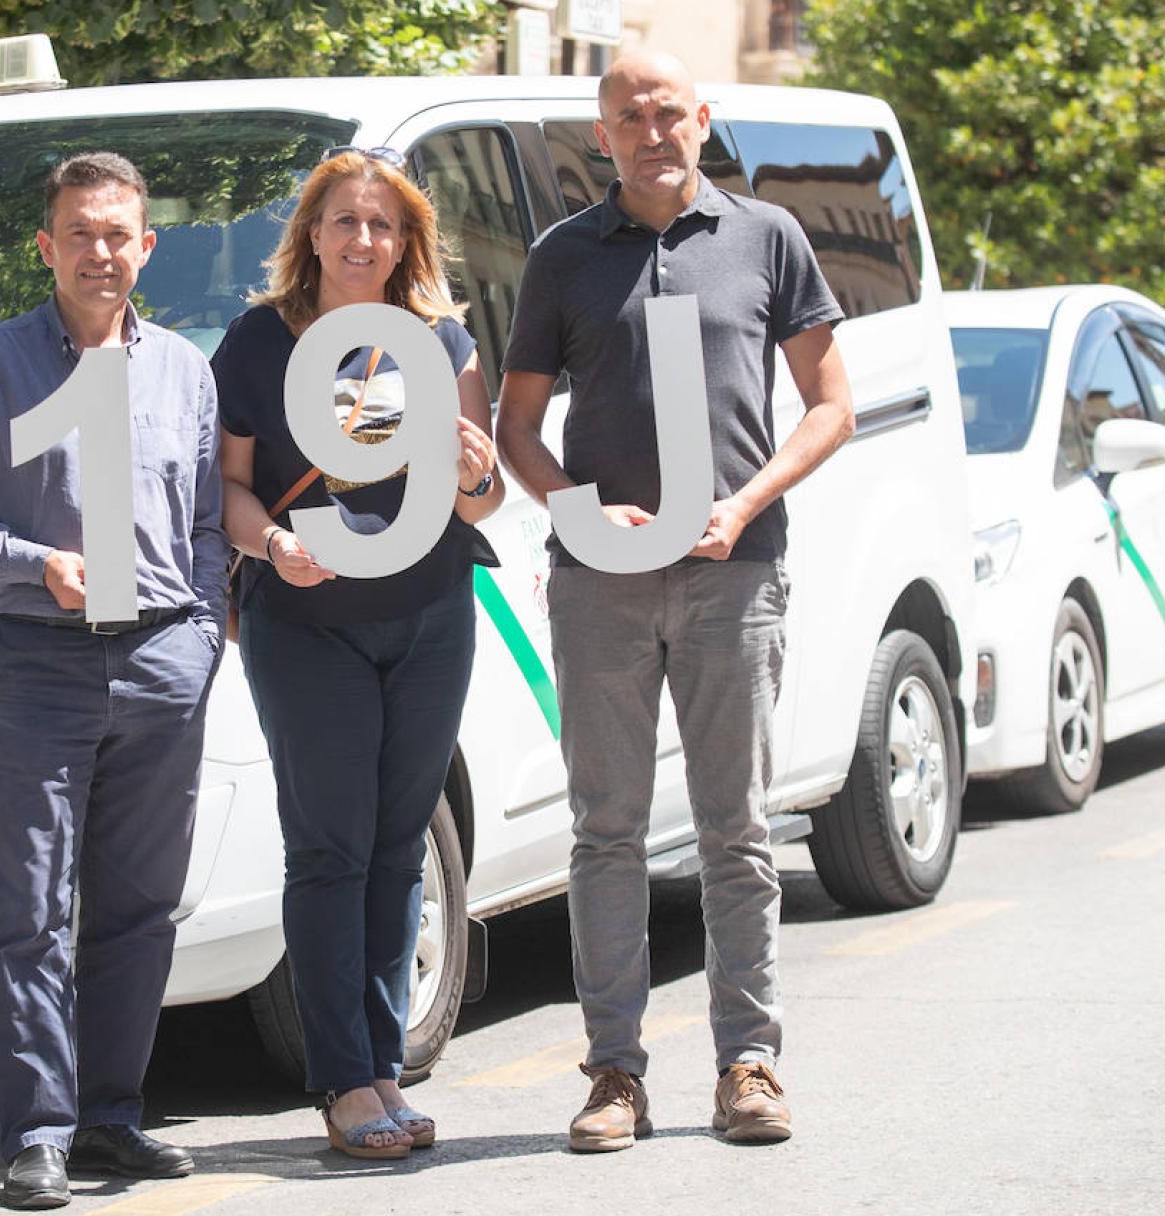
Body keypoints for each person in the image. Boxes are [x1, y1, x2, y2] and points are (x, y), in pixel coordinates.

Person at [496, 50, 855, 1149]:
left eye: (667, 112)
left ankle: (749, 1064)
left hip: (733, 575)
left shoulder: (767, 239)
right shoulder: (562, 258)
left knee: (736, 828)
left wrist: (741, 505)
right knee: (605, 833)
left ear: (701, 121)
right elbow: (515, 429)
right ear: (599, 137)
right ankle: (614, 1075)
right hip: (599, 588)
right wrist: (572, 511)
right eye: (626, 117)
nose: (650, 130)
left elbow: (832, 404)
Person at [0, 152, 227, 1210]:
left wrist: (204, 639)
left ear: (147, 247)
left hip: (163, 659)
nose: (100, 251)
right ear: (47, 247)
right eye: (80, 232)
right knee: (26, 907)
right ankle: (38, 1130)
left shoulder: (183, 368)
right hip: (37, 661)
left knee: (138, 907)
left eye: (118, 233)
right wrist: (31, 564)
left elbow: (210, 524)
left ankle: (112, 1116)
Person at [211, 146, 503, 1159]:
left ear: (405, 239)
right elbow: (230, 490)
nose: (363, 239)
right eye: (345, 221)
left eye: (382, 224)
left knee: (397, 845)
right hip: (307, 625)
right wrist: (270, 544)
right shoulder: (257, 342)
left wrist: (476, 471)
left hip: (431, 614)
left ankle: (386, 1065)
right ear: (312, 233)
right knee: (330, 848)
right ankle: (343, 1079)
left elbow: (485, 498)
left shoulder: (441, 341)